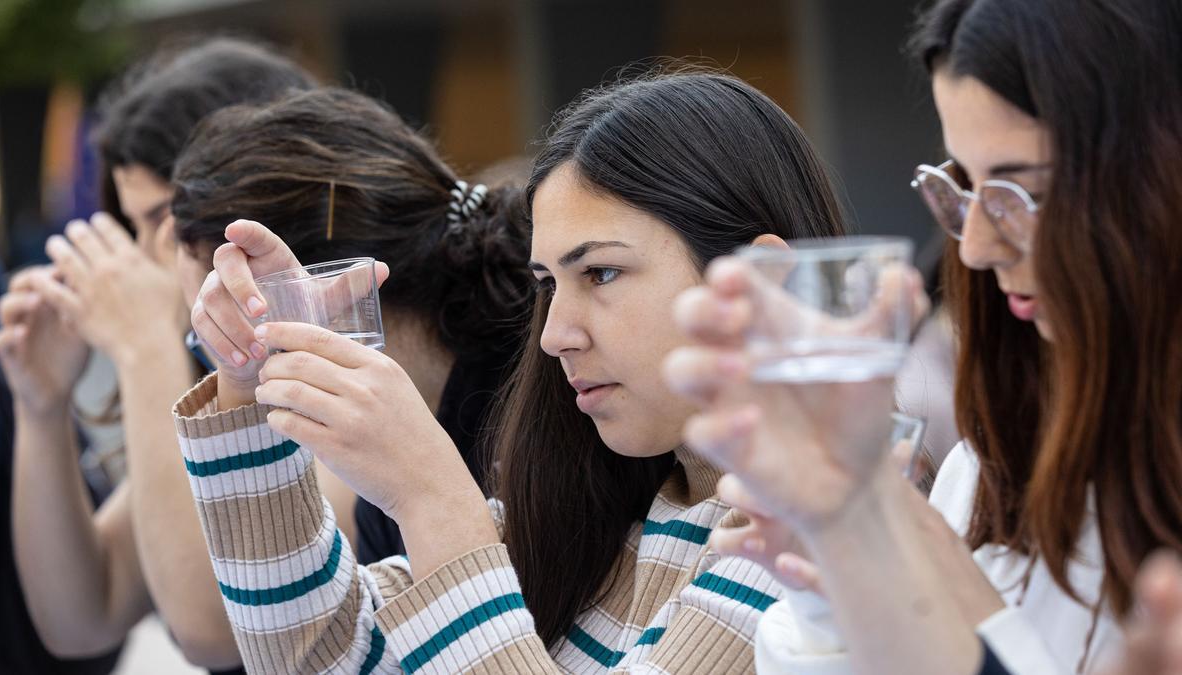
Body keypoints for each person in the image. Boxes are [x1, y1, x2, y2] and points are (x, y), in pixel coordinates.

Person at [174, 70, 845, 672]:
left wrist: (433, 498)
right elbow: (314, 659)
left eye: (602, 272)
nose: (554, 335)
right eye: (549, 284)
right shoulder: (597, 519)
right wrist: (248, 378)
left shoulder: (817, 528)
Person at [662, 0, 1182, 673]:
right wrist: (838, 583)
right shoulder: (989, 468)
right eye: (964, 187)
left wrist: (881, 539)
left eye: (1020, 192)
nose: (976, 248)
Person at [0, 38, 320, 671]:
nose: (143, 257)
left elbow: (211, 632)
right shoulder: (205, 368)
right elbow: (81, 618)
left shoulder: (326, 356)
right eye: (132, 226)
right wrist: (41, 404)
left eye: (160, 224)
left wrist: (146, 347)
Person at [167, 86, 533, 565]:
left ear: (313, 293)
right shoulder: (403, 435)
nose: (237, 370)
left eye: (219, 340)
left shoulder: (536, 415)